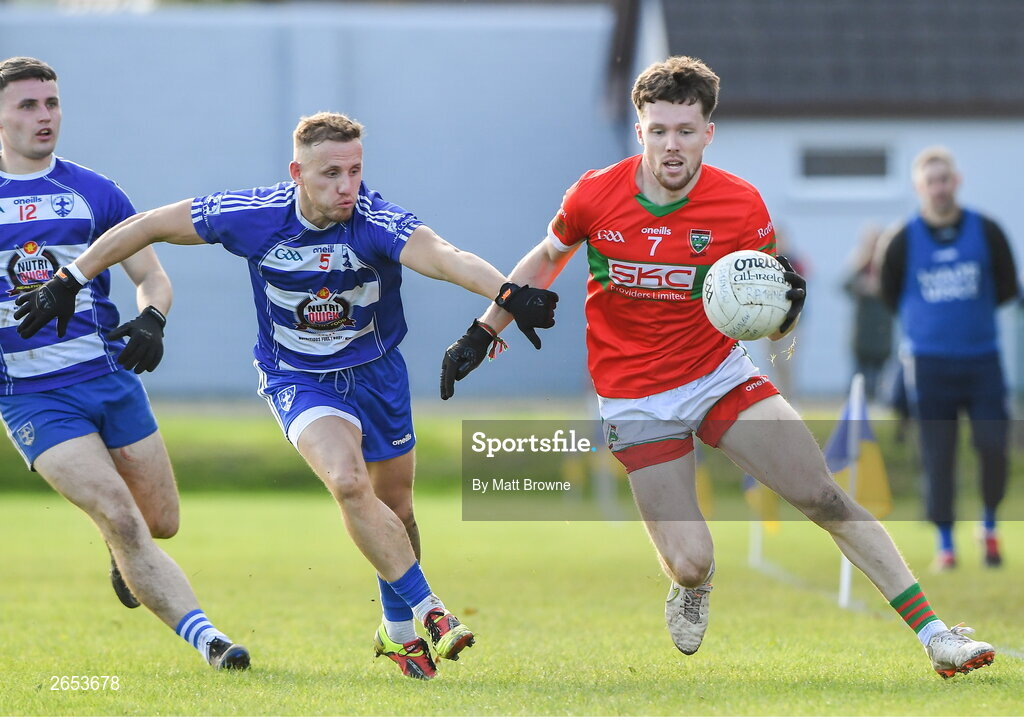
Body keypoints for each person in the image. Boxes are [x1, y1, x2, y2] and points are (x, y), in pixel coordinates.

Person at [441, 56, 996, 678]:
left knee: (822, 495)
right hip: (634, 395)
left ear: (709, 132)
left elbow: (762, 305)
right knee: (692, 561)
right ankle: (691, 586)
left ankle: (937, 635)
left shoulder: (740, 206)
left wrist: (788, 308)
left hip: (717, 375)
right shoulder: (595, 194)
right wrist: (482, 330)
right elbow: (547, 257)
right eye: (658, 130)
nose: (670, 145)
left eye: (684, 130)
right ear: (639, 130)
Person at [15, 110, 558, 680]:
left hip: (377, 374)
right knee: (348, 483)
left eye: (354, 171)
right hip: (297, 378)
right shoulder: (254, 216)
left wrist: (506, 293)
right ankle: (433, 612)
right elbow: (147, 225)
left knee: (396, 510)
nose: (346, 187)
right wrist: (68, 280)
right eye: (330, 174)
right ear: (297, 172)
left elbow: (446, 257)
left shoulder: (375, 220)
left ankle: (397, 633)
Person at [0, 57, 248, 670]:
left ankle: (122, 553)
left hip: (108, 380)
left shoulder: (94, 191)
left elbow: (151, 276)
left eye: (52, 103)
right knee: (121, 516)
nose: (45, 116)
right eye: (28, 105)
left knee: (158, 523)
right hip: (32, 397)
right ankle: (213, 644)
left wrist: (152, 319)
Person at [880, 146, 1017, 571]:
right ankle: (945, 544)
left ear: (955, 182)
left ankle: (989, 527)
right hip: (929, 364)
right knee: (938, 455)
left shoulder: (987, 230)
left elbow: (1008, 287)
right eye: (930, 182)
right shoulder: (902, 240)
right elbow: (889, 292)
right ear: (919, 189)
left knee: (994, 447)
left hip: (982, 361)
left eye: (945, 180)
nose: (939, 188)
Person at [843, 223, 894, 402]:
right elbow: (845, 286)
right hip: (863, 332)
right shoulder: (859, 264)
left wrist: (880, 288)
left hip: (883, 330)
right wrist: (862, 286)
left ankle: (875, 406)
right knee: (859, 376)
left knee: (878, 377)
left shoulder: (889, 265)